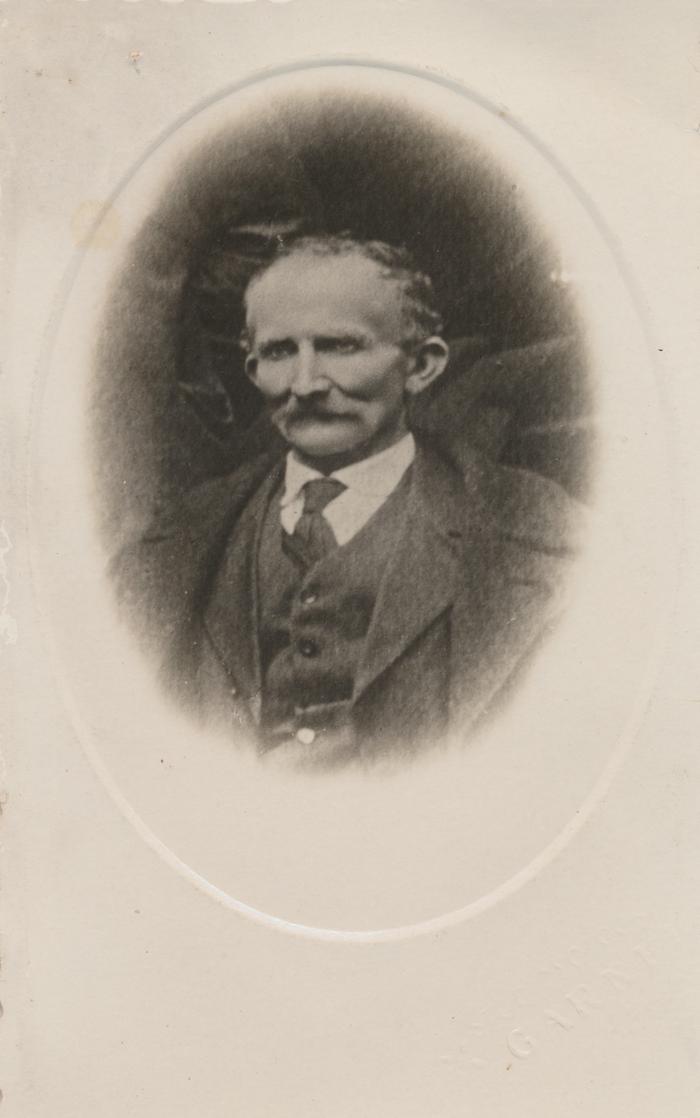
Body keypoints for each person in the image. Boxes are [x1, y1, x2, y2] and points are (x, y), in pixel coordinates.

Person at [113, 235, 582, 769]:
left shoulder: (538, 539)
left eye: (340, 346)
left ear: (422, 365)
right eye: (279, 352)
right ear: (253, 372)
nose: (305, 384)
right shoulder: (177, 544)